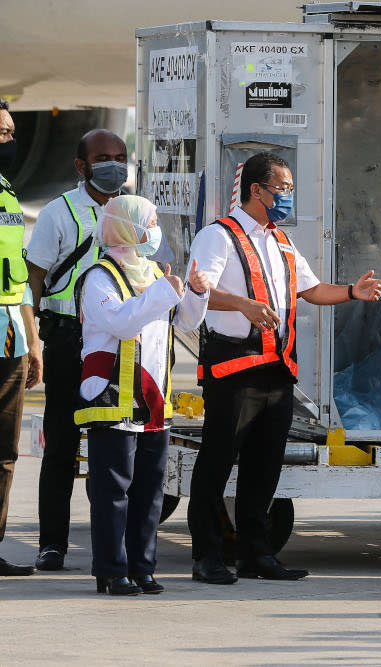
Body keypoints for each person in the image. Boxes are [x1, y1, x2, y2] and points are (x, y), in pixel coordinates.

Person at [186, 152, 381, 584]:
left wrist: (352, 291)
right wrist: (242, 303)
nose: (287, 197)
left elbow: (312, 289)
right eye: (281, 188)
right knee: (216, 465)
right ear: (256, 190)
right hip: (232, 372)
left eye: (290, 189)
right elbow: (198, 291)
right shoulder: (218, 237)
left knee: (264, 471)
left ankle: (255, 555)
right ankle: (207, 556)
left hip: (276, 373)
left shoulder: (280, 241)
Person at [76, 195, 208, 595]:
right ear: (129, 228)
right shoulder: (100, 276)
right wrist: (165, 291)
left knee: (150, 493)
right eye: (150, 222)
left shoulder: (154, 272)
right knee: (113, 492)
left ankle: (142, 567)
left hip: (153, 402)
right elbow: (121, 321)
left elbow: (183, 322)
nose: (155, 230)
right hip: (112, 399)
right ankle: (112, 571)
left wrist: (196, 294)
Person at [26, 129, 128, 571]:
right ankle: (53, 543)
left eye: (120, 156)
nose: (114, 164)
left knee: (117, 446)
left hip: (118, 341)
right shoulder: (59, 212)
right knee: (63, 446)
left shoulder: (133, 211)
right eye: (103, 157)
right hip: (69, 339)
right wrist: (34, 338)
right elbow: (34, 279)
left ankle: (115, 544)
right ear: (80, 166)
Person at [0, 101, 43, 576]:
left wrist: (33, 341)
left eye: (11, 133)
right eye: (0, 133)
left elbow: (18, 279)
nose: (8, 141)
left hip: (8, 337)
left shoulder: (8, 196)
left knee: (5, 452)